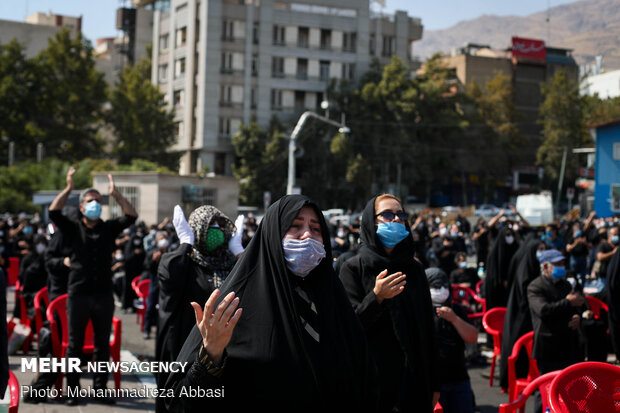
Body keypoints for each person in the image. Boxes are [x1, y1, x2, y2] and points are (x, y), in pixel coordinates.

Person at [165, 195, 378, 412]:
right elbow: (180, 401)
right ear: (272, 234)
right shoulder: (234, 304)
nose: (307, 235)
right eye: (295, 226)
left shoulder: (332, 300)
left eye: (316, 229)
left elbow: (362, 377)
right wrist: (211, 355)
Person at [339, 194, 439, 412]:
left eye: (401, 215)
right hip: (371, 384)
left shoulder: (414, 269)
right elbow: (348, 328)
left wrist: (434, 383)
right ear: (371, 221)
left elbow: (427, 328)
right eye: (387, 214)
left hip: (413, 382)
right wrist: (376, 297)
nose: (396, 220)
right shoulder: (353, 268)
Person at [48, 167, 137, 405]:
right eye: (90, 201)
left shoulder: (108, 228)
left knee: (101, 346)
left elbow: (131, 216)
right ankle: (73, 390)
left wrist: (116, 194)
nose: (95, 205)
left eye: (98, 201)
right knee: (75, 345)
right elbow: (53, 212)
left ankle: (100, 388)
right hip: (78, 294)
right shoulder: (73, 227)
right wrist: (68, 188)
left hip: (103, 295)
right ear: (82, 207)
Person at [156, 205, 243, 412]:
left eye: (221, 225)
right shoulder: (186, 263)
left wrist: (240, 253)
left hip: (226, 350)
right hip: (188, 346)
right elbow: (167, 275)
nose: (217, 229)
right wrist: (186, 243)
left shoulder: (231, 262)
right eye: (210, 225)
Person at [528, 249, 585, 412]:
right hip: (548, 346)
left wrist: (576, 316)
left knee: (572, 390)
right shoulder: (536, 286)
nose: (561, 267)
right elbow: (544, 310)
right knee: (547, 389)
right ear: (546, 266)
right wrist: (567, 303)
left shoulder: (566, 285)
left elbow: (576, 307)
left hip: (568, 345)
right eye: (557, 264)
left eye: (562, 264)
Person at [425, 267, 478, 413]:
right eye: (436, 286)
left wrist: (454, 319)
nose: (441, 290)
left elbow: (472, 337)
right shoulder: (421, 311)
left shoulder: (457, 310)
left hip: (458, 378)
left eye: (444, 286)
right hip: (432, 382)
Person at [499, 238, 544, 391]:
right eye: (540, 249)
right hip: (520, 314)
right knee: (516, 346)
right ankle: (510, 381)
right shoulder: (526, 267)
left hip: (525, 313)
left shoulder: (532, 265)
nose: (542, 252)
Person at [483, 226, 519, 310]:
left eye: (511, 235)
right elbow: (493, 273)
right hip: (497, 289)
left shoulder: (514, 249)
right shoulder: (494, 254)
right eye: (507, 235)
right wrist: (502, 280)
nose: (510, 237)